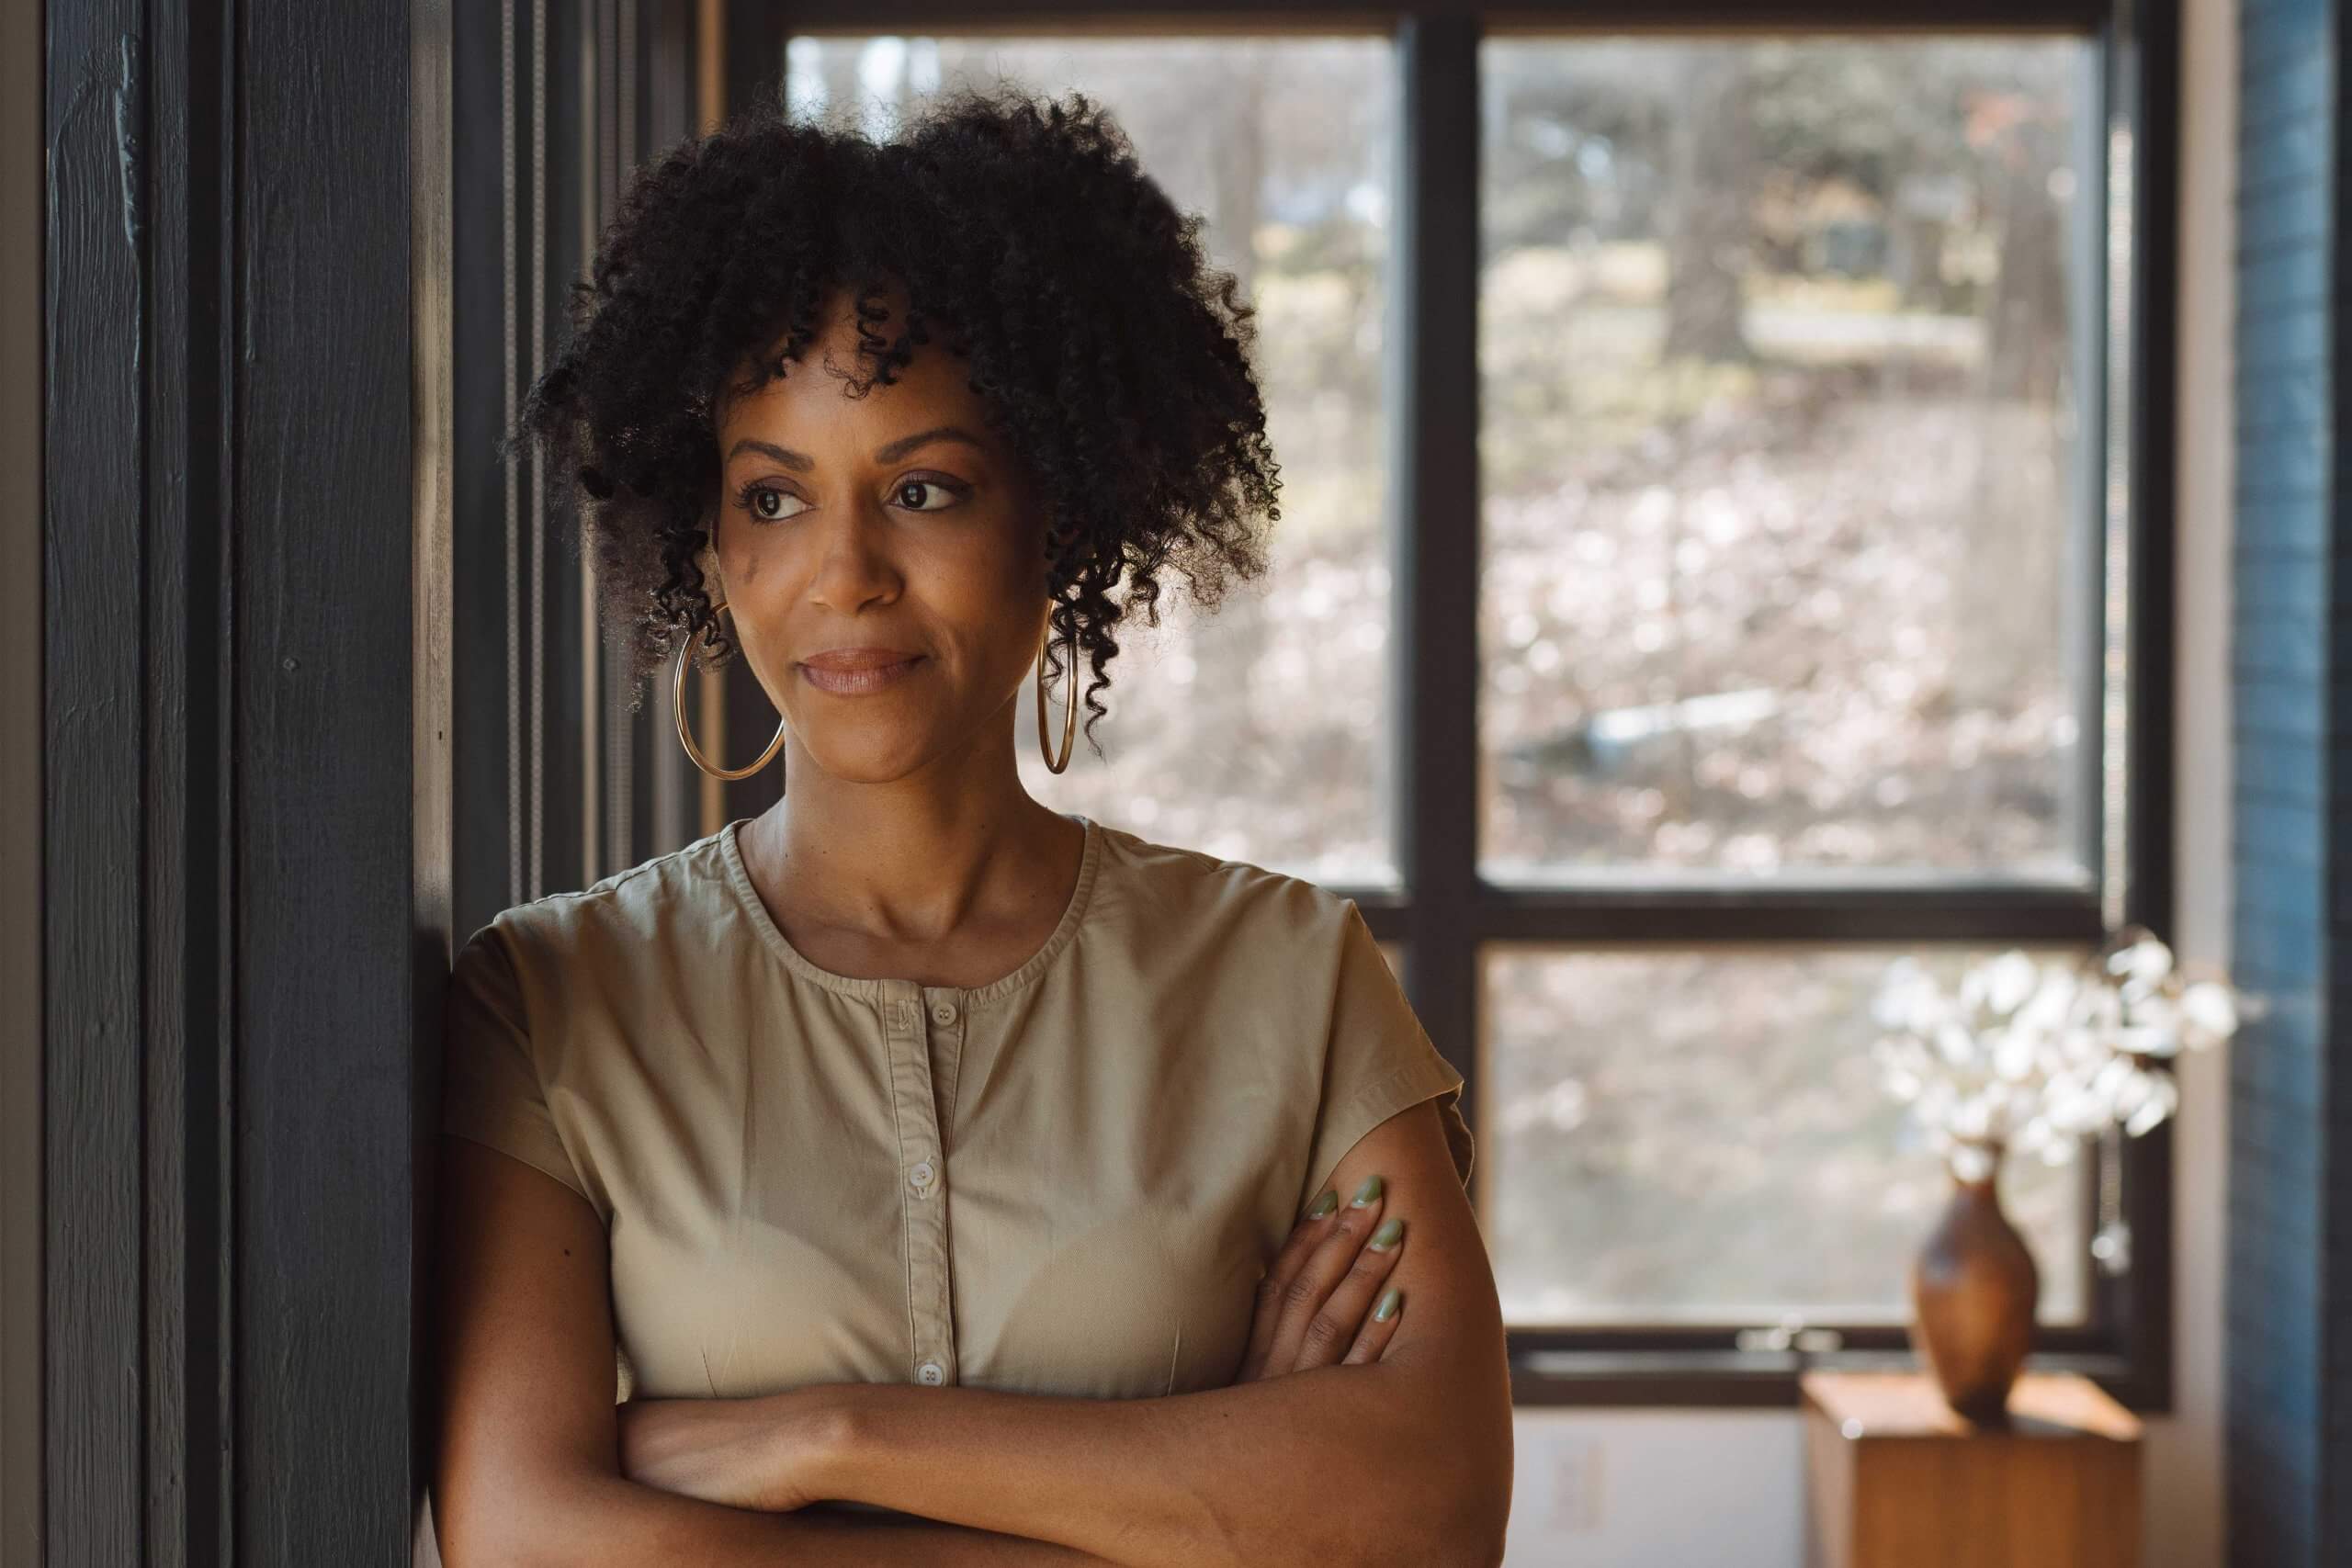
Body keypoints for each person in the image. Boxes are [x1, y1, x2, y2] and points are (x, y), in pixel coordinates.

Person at [429, 84, 1512, 1567]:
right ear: (711, 545)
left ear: (1054, 519)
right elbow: (524, 1538)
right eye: (774, 497)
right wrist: (1209, 1515)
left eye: (923, 488)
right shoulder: (550, 1004)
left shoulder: (1293, 979)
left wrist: (819, 1439)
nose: (847, 574)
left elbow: (1436, 1512)